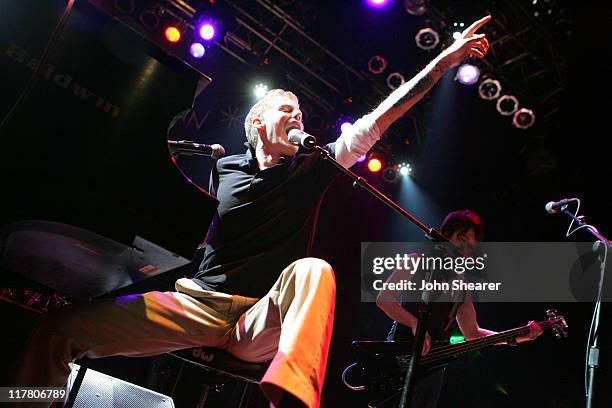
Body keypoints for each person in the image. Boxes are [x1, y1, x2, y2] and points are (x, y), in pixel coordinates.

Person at [15, 16, 494, 408]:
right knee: (56, 330)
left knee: (313, 270)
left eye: (303, 113)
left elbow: (378, 120)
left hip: (258, 321)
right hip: (195, 306)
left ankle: (294, 396)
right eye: (289, 109)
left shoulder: (313, 167)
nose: (299, 117)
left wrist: (441, 65)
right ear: (257, 121)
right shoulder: (222, 167)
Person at [376, 210, 543, 408]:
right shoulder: (415, 261)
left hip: (433, 369)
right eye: (461, 239)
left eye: (470, 247)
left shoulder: (462, 286)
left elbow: (472, 333)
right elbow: (384, 299)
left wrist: (517, 336)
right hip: (398, 359)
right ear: (446, 233)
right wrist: (414, 323)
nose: (464, 249)